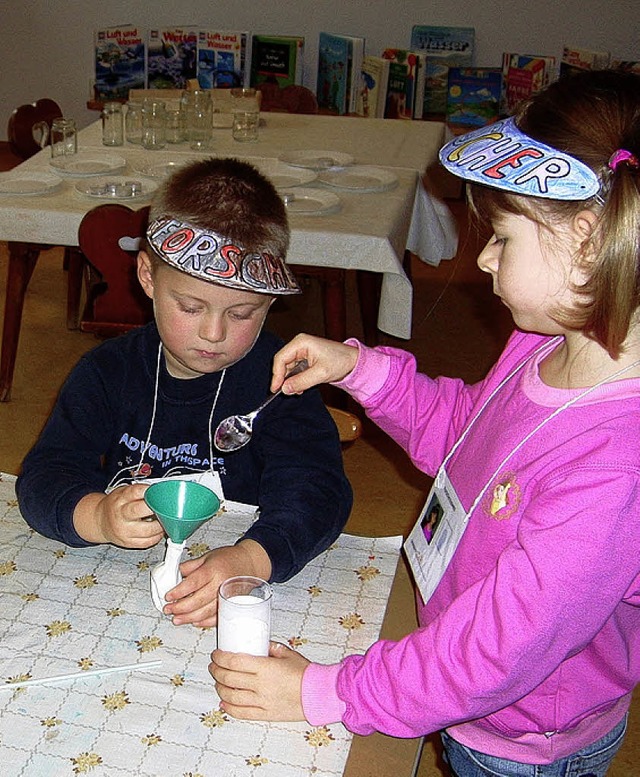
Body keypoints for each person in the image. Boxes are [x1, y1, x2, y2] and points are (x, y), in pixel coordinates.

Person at [209, 69, 640, 775]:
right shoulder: (547, 342)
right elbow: (470, 434)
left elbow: (494, 652)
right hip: (463, 676)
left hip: (520, 739)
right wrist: (360, 370)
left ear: (588, 240)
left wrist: (326, 689)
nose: (484, 256)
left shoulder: (618, 469)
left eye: (502, 235)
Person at [17, 157, 352, 628]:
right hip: (117, 589)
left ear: (269, 303)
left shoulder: (281, 384)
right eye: (191, 306)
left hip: (237, 581)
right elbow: (43, 475)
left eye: (241, 314)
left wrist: (253, 560)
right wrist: (96, 516)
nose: (213, 333)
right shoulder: (107, 372)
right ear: (149, 277)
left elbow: (319, 490)